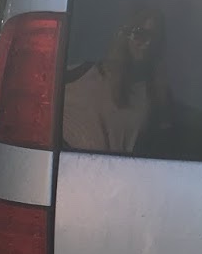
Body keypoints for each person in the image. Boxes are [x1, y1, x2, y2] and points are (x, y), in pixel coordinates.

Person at [61, 10, 173, 154]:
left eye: (155, 38)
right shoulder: (80, 74)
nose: (148, 44)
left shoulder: (159, 94)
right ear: (124, 34)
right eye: (141, 34)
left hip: (124, 167)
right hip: (72, 164)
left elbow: (162, 145)